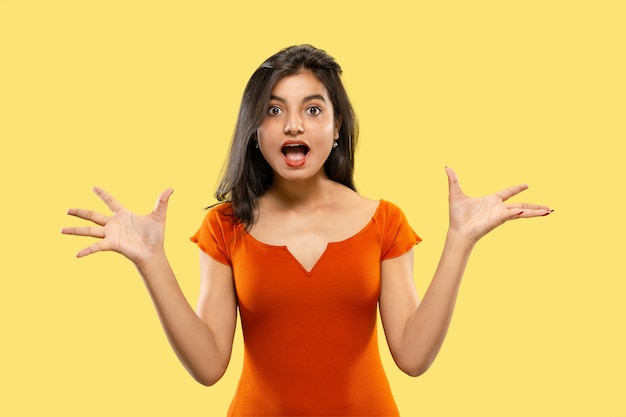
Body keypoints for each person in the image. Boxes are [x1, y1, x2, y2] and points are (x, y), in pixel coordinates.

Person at [62, 44, 552, 416]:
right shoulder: (225, 226)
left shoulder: (385, 221)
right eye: (274, 110)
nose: (293, 125)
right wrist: (152, 262)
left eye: (312, 109)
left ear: (337, 128)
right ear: (255, 131)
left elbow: (414, 355)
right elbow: (209, 365)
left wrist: (460, 242)